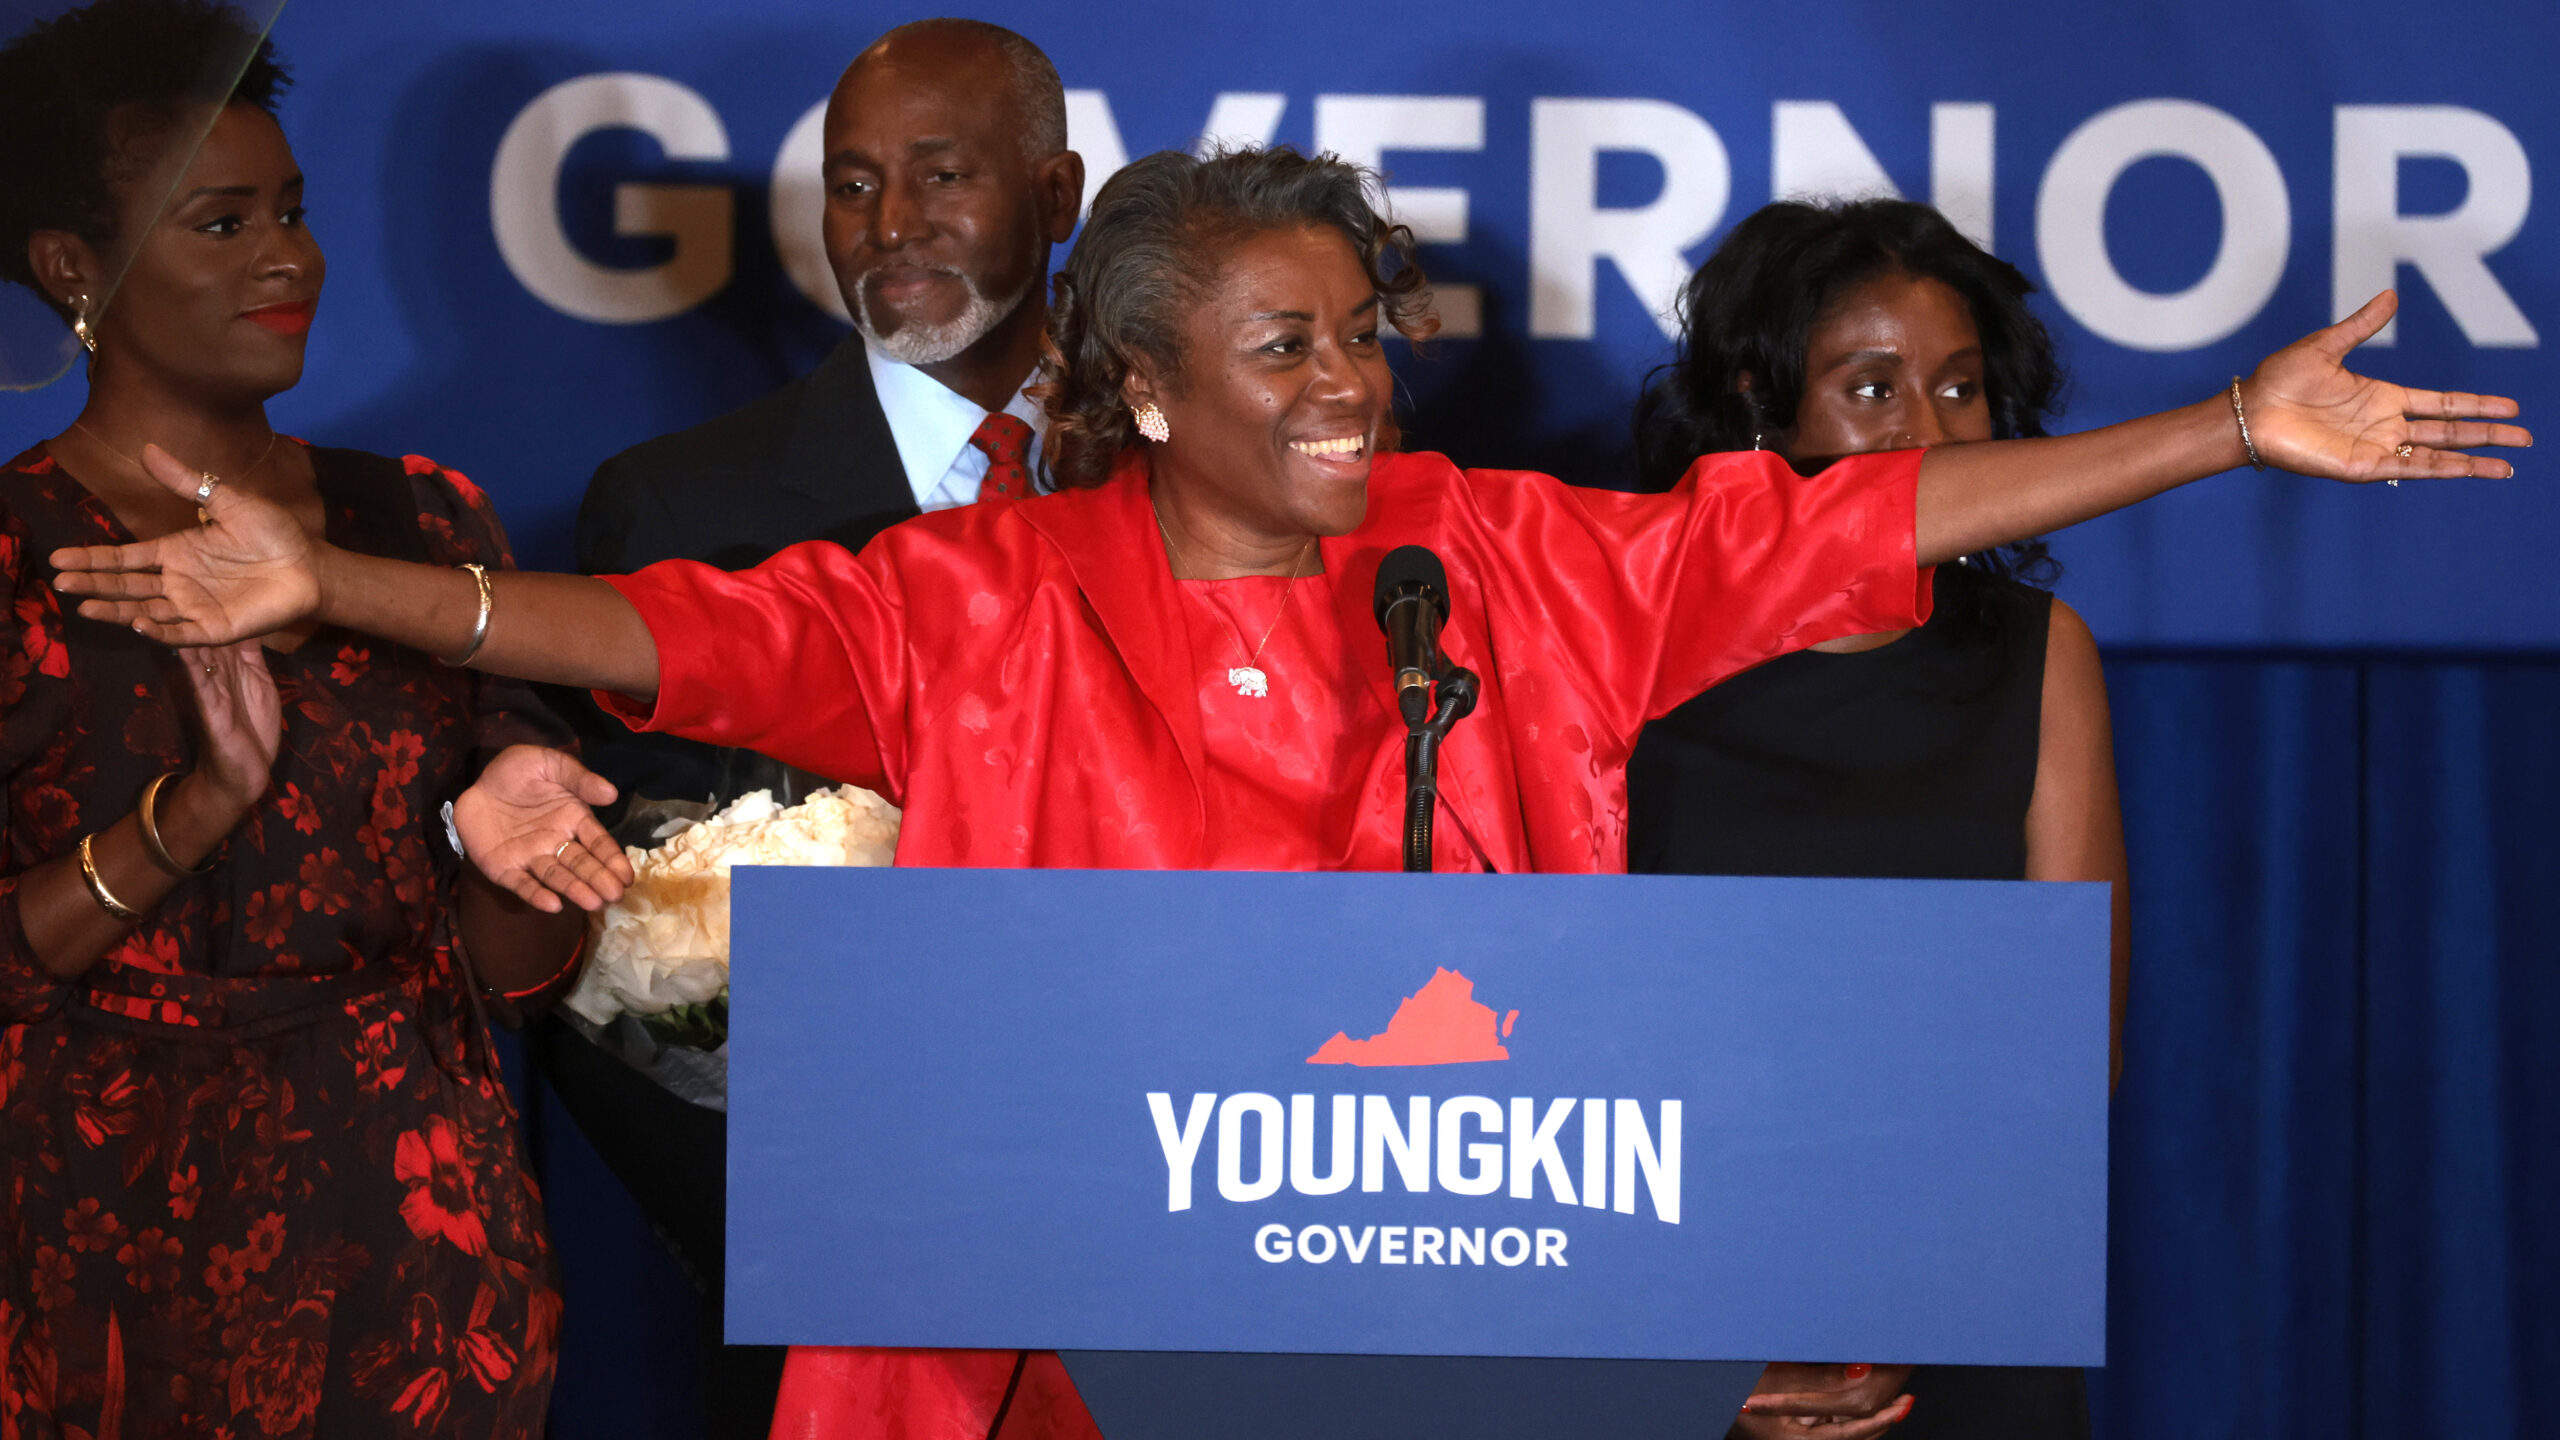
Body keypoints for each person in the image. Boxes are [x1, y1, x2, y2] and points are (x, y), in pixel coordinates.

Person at [48, 146, 2527, 1439]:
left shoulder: (1507, 557)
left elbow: (1849, 521)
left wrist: (2220, 428)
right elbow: (660, 635)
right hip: (1047, 1372)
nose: (1345, 384)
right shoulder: (978, 596)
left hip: (1438, 1365)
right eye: (1280, 346)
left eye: (1358, 334)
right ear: (1144, 387)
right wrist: (348, 587)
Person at [0, 2, 596, 1433]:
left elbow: (515, 975)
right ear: (75, 269)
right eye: (220, 223)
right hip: (94, 1259)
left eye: (292, 210)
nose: (289, 259)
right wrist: (194, 813)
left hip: (418, 1249)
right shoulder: (20, 552)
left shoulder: (424, 518)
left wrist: (522, 853)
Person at [531, 20, 1086, 1436]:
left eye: (941, 176)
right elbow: (622, 967)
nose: (889, 225)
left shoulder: (1192, 481)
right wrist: (799, 1253)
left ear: (1058, 196)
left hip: (1159, 1276)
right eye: (852, 186)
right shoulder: (680, 513)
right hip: (840, 1296)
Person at [1628, 198, 2125, 1440]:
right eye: (1871, 387)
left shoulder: (2037, 655)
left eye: (1959, 390)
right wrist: (1696, 1348)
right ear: (1761, 400)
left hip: (1957, 1295)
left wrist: (1917, 1293)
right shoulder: (1629, 642)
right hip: (1679, 1301)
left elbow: (2074, 1050)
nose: (1927, 429)